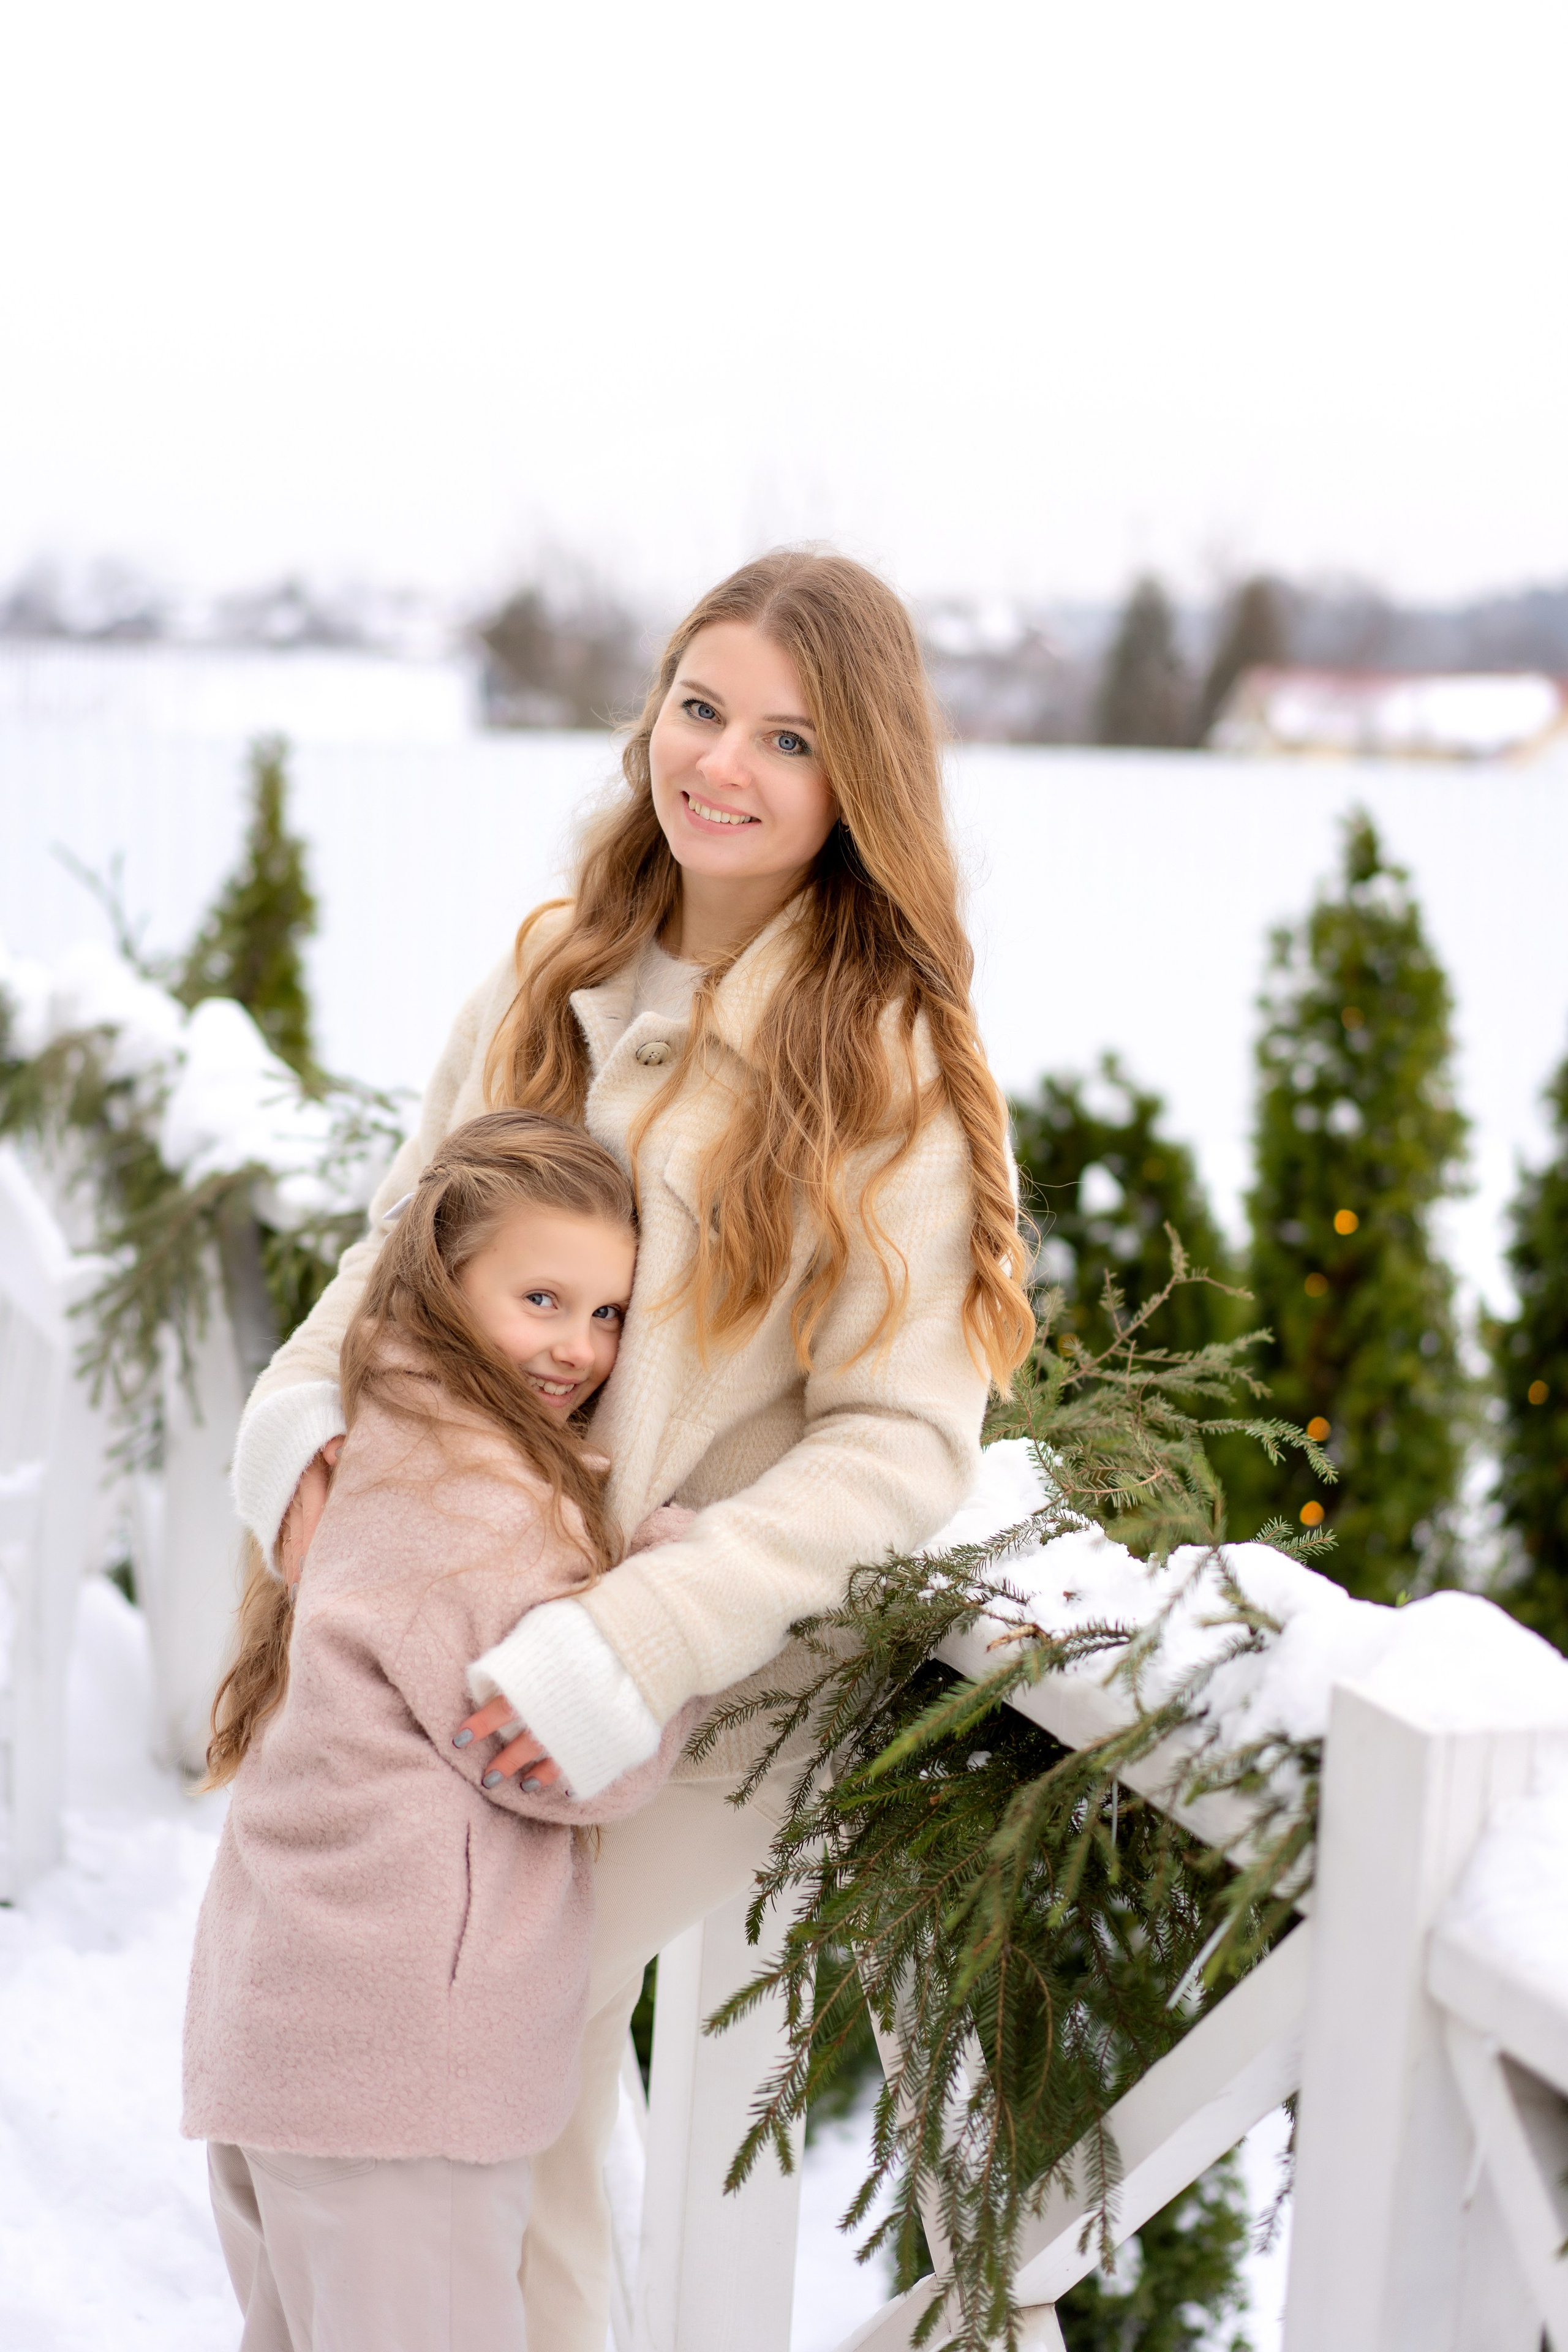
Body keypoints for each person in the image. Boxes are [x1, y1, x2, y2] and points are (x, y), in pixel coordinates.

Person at [229, 548, 1034, 2348]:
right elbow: (396, 1246)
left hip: (688, 1681)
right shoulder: (556, 966)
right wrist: (296, 1427)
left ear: (860, 781)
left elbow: (902, 1441)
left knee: (503, 2040)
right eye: (699, 708)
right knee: (492, 2087)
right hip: (448, 1626)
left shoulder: (885, 1056)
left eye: (788, 740)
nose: (721, 766)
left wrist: (636, 1641)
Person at [186, 1110, 699, 2351]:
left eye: (609, 1313)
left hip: (291, 2044)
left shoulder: (383, 1431)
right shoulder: (477, 1499)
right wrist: (675, 1590)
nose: (578, 1347)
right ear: (442, 1279)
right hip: (398, 2080)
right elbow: (565, 1755)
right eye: (541, 1299)